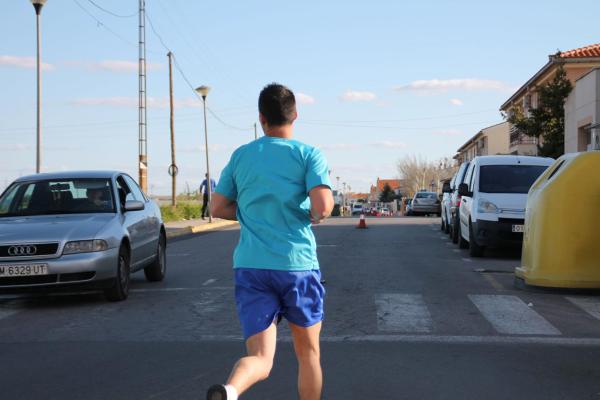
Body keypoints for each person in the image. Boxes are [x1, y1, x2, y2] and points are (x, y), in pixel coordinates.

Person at [207, 83, 334, 400]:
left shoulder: (241, 155)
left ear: (262, 118)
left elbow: (217, 207)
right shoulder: (308, 155)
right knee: (308, 355)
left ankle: (230, 390)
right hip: (297, 266)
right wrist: (310, 212)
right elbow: (322, 207)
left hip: (251, 266)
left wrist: (254, 214)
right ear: (295, 116)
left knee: (261, 359)